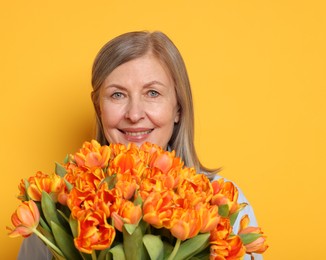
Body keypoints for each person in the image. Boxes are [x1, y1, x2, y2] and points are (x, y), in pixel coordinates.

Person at [18, 31, 261, 259]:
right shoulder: (58, 208)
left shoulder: (224, 201)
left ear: (178, 107)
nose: (134, 114)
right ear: (99, 108)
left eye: (152, 93)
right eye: (117, 95)